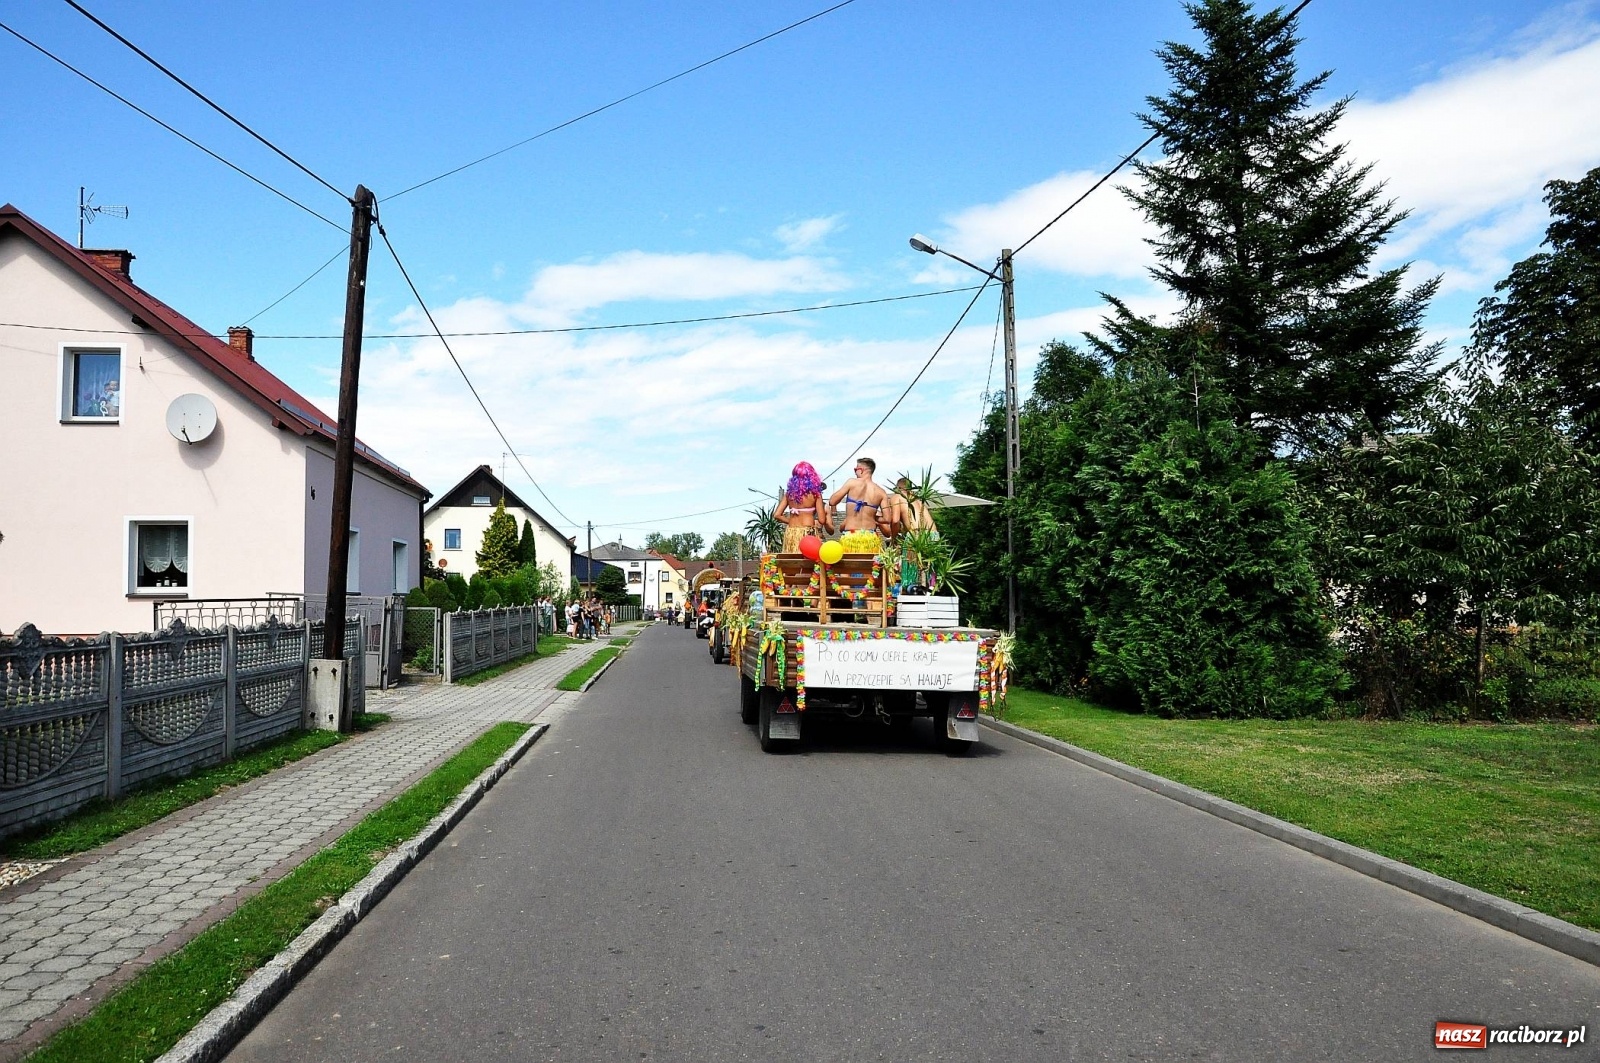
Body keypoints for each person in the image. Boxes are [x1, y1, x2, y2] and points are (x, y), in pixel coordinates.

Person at [828, 456, 891, 552]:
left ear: (861, 470)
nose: (855, 472)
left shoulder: (852, 483)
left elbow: (832, 501)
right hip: (870, 537)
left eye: (855, 469)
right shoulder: (881, 492)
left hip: (851, 536)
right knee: (870, 567)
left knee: (849, 566)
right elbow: (887, 519)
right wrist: (872, 515)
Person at [774, 461, 830, 553]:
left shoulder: (789, 494)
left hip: (791, 532)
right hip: (807, 532)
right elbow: (822, 520)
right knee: (808, 562)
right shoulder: (816, 494)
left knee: (792, 562)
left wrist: (790, 521)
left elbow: (777, 515)